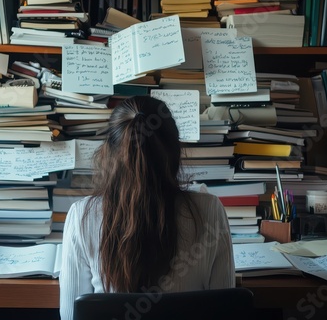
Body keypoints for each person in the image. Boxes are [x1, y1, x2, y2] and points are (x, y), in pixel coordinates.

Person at [59, 95, 235, 320]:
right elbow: (227, 312)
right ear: (174, 151)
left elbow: (70, 316)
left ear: (110, 152)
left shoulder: (81, 216)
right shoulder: (210, 210)